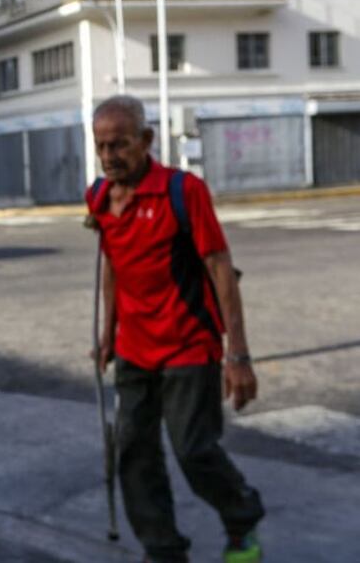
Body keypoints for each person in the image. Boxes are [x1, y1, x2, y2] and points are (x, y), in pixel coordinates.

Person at [86, 96, 265, 563]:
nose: (108, 156)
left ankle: (241, 517)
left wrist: (238, 356)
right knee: (134, 454)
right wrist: (107, 334)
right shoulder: (100, 197)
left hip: (190, 345)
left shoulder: (182, 191)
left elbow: (220, 267)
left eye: (119, 145)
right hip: (133, 349)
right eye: (101, 146)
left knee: (193, 450)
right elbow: (112, 266)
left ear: (146, 140)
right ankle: (163, 549)